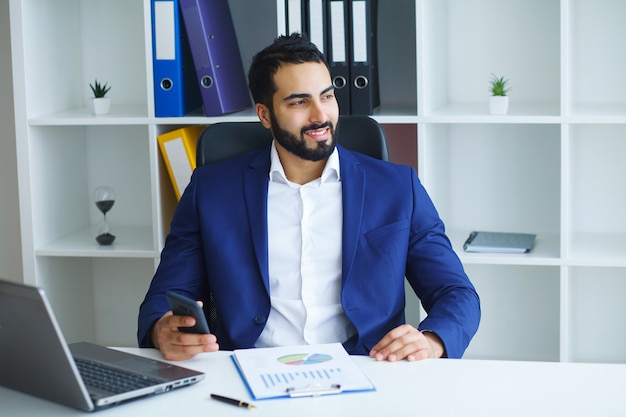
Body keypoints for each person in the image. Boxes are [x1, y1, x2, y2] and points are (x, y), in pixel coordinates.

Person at [138, 33, 480, 362]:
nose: (320, 116)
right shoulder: (211, 191)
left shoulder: (396, 187)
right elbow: (164, 295)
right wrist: (160, 329)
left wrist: (433, 341)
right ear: (265, 114)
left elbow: (456, 293)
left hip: (367, 369)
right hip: (250, 371)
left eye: (327, 96)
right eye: (300, 102)